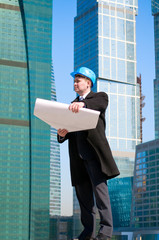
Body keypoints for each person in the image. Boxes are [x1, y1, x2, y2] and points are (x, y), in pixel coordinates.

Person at [57, 67, 120, 240]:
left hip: (94, 157)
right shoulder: (72, 104)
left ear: (88, 83)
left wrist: (83, 104)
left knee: (101, 196)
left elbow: (99, 104)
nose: (75, 83)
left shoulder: (98, 97)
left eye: (78, 80)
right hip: (77, 158)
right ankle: (88, 233)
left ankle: (105, 233)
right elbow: (69, 129)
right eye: (74, 81)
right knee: (84, 199)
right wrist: (62, 134)